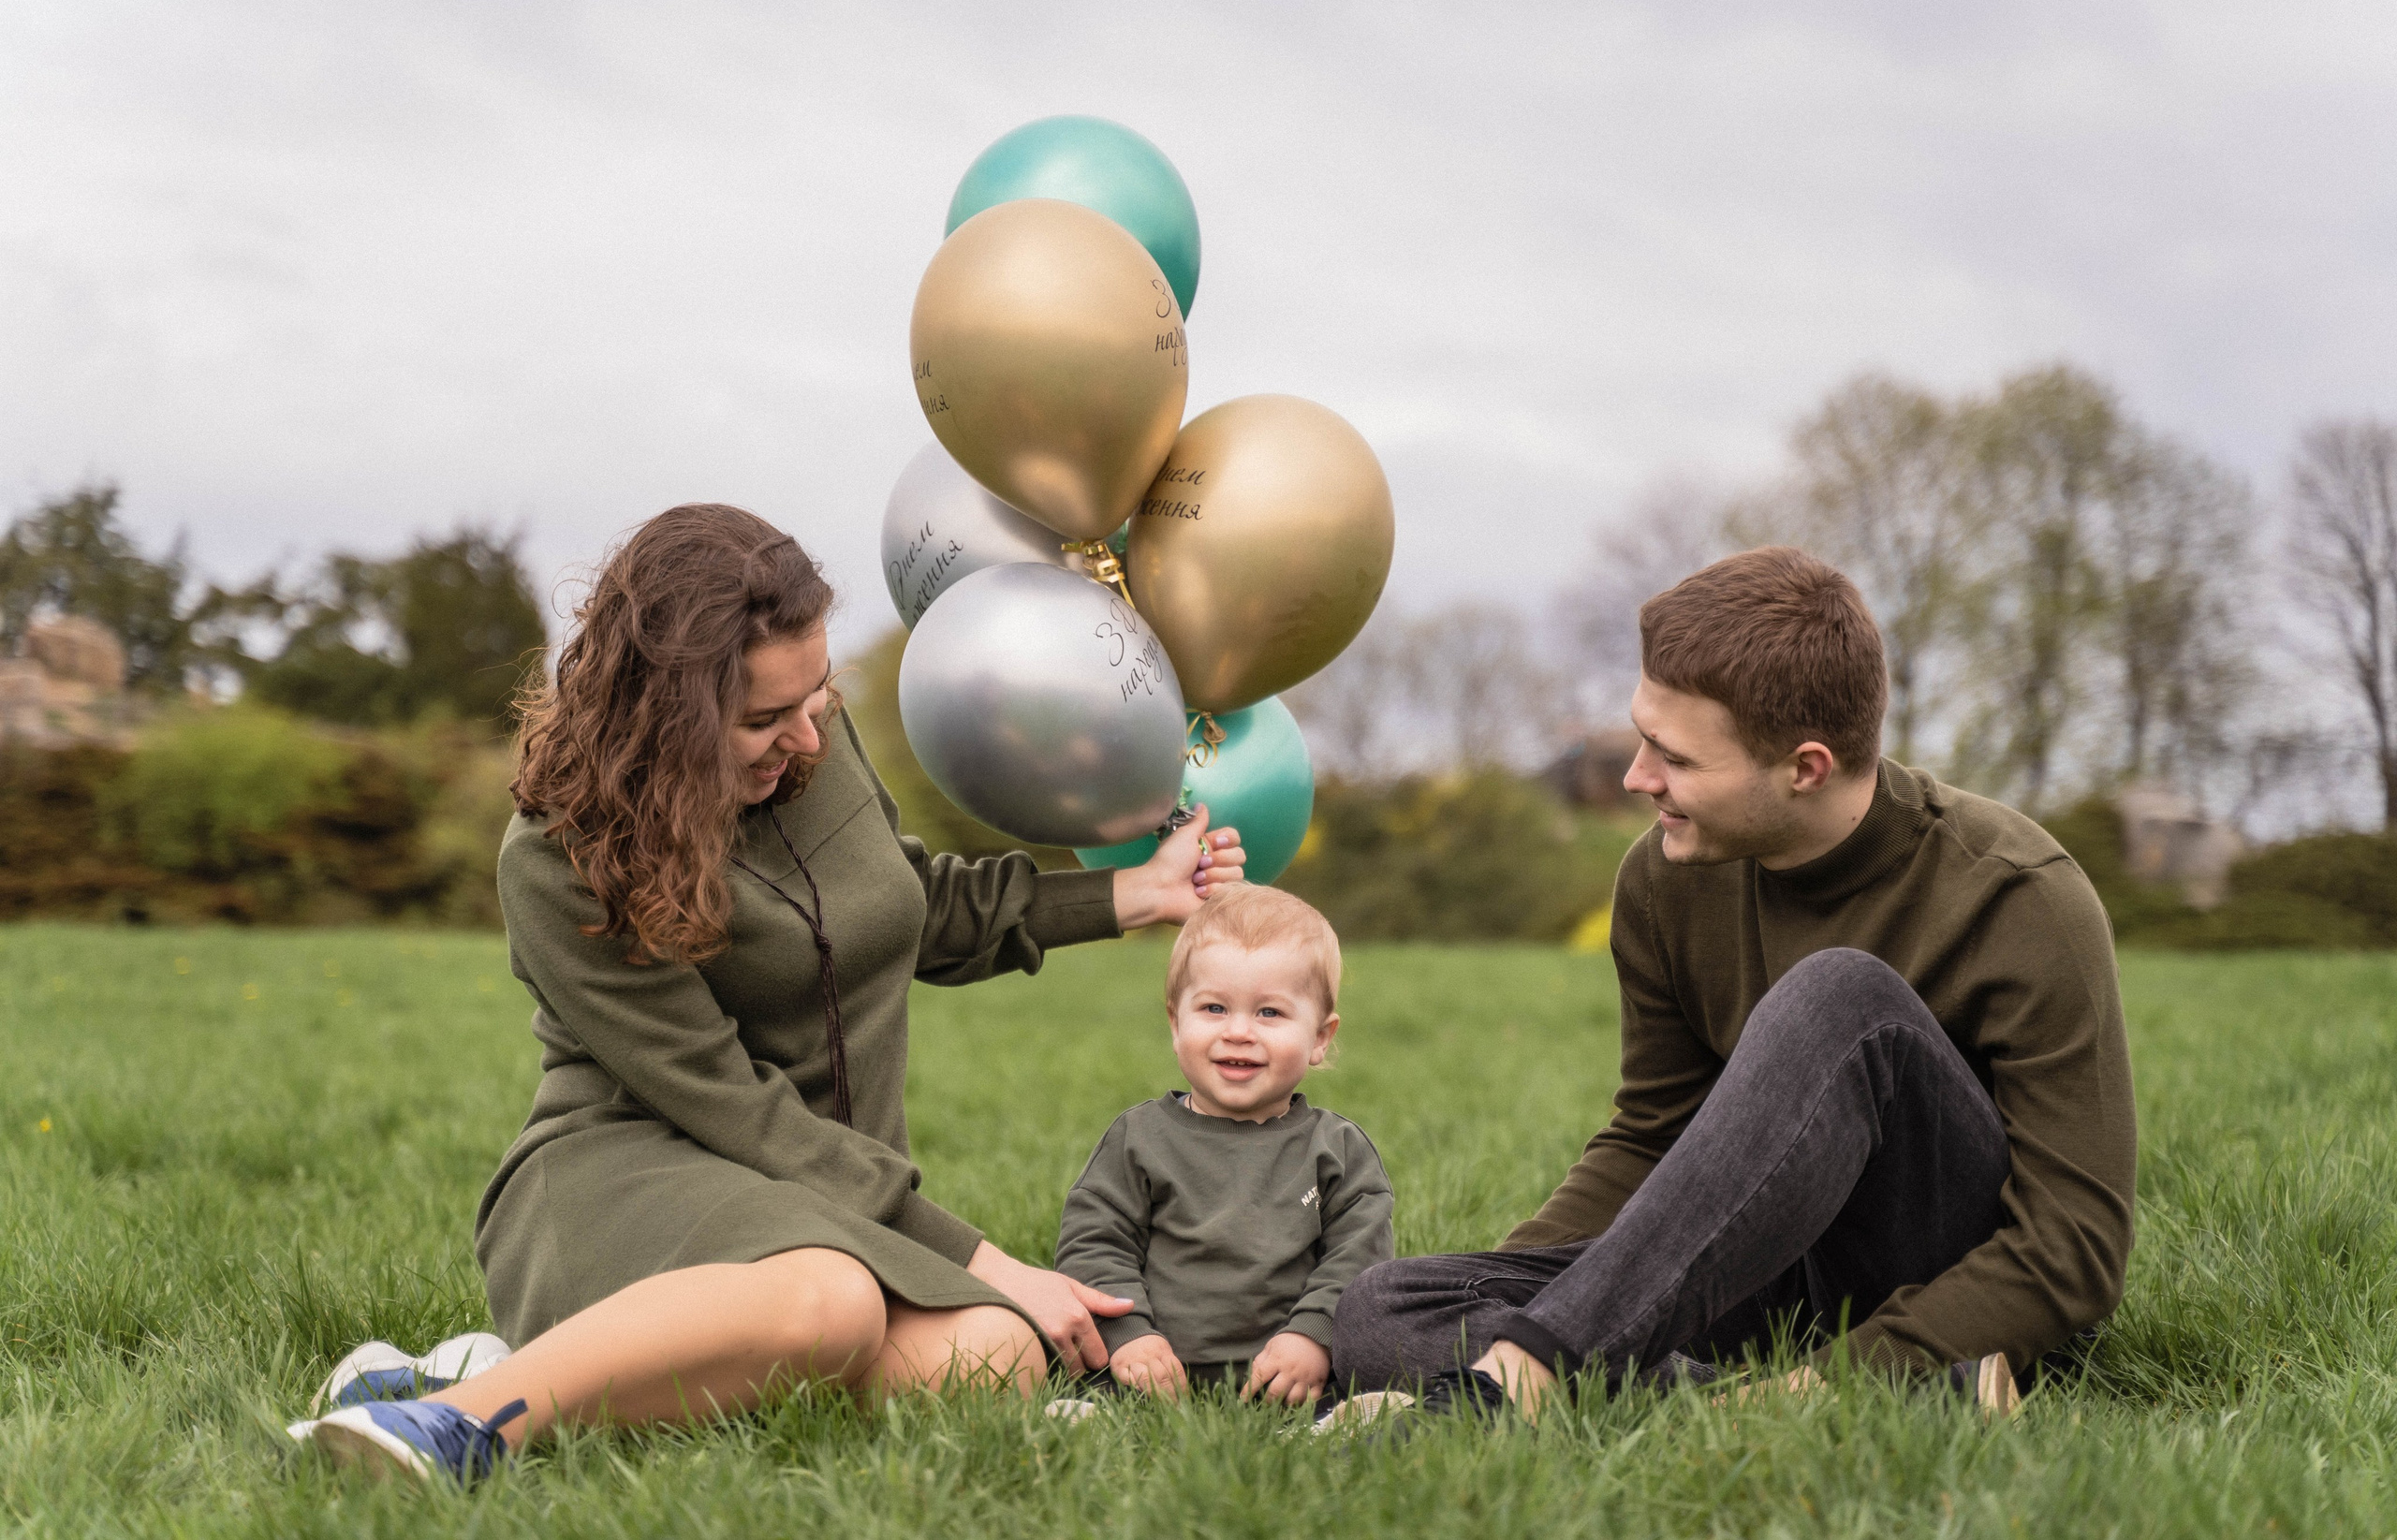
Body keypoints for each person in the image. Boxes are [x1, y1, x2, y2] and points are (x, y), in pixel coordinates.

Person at [287, 504, 1245, 1482]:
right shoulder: (554, 860)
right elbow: (737, 1111)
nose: (806, 736)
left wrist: (1137, 893)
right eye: (761, 719)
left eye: (817, 694)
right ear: (670, 716)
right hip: (631, 1174)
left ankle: (498, 1367)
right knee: (831, 1303)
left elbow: (909, 908)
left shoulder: (812, 743)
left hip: (819, 1197)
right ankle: (454, 1422)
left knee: (988, 1362)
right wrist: (985, 1258)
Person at [1329, 546, 2135, 1423]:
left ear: (1805, 767)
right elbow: (1650, 1136)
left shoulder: (2023, 895)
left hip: (1946, 1288)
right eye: (1642, 736)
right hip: (1758, 1269)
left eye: (1674, 758)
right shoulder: (1662, 879)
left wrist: (1847, 1365)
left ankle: (1542, 1386)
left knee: (1843, 1000)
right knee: (1380, 1312)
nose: (1637, 777)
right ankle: (1775, 1407)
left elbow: (2073, 1247)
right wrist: (1532, 1305)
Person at [1053, 886, 1393, 1410]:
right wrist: (1130, 1335)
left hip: (1294, 1377)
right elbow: (1095, 1243)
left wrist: (1312, 1335)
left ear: (1321, 1037)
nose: (1238, 1032)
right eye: (1214, 1008)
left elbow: (1360, 1257)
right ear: (1175, 1022)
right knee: (1085, 1385)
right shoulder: (1140, 1139)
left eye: (1270, 1014)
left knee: (1366, 1385)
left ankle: (1331, 1419)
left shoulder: (1336, 1150)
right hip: (1149, 1371)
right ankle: (1096, 1412)